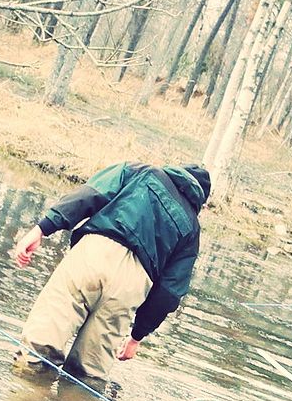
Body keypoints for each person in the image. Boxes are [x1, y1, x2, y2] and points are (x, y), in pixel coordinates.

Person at [12, 161, 210, 381]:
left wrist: (43, 228)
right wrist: (136, 337)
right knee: (88, 374)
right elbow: (168, 293)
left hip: (93, 255)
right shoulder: (192, 229)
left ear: (176, 171)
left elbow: (89, 195)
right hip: (132, 286)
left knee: (40, 347)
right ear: (200, 200)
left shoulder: (141, 171)